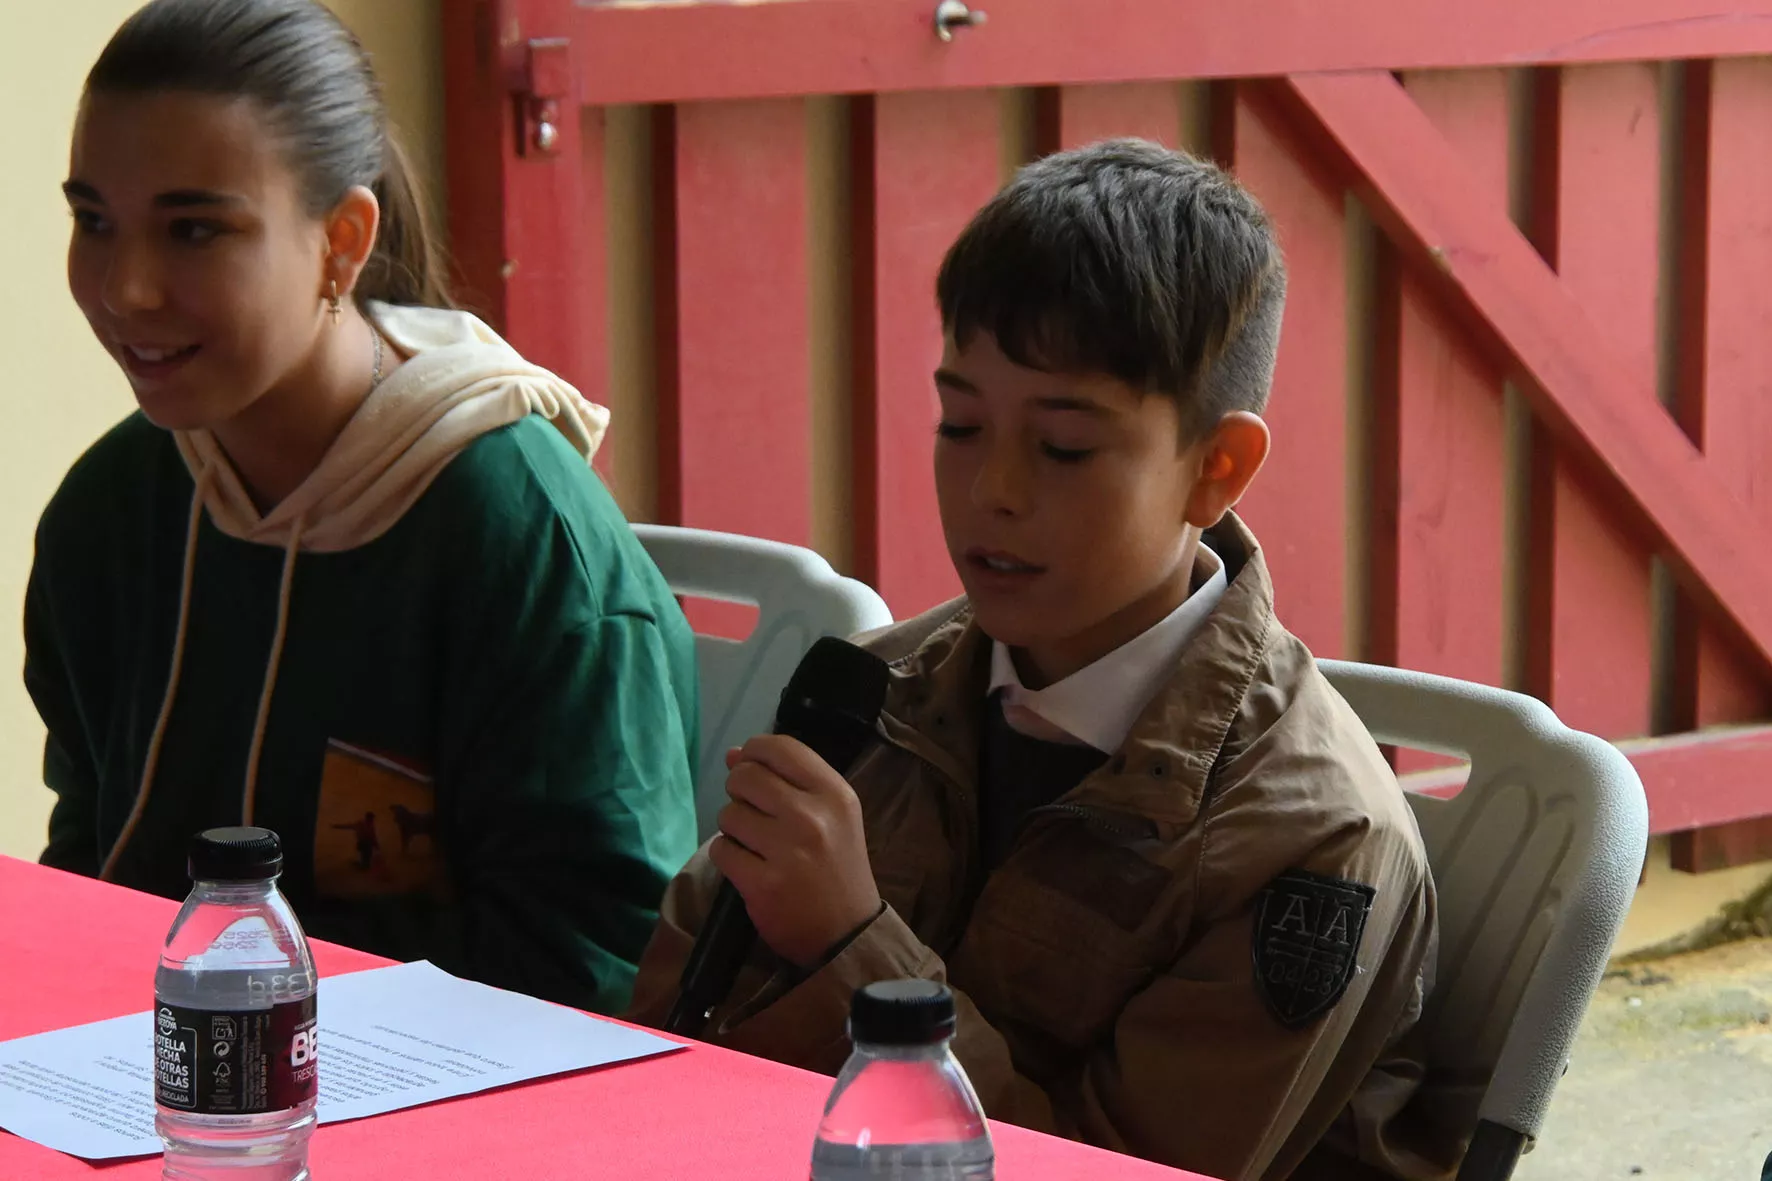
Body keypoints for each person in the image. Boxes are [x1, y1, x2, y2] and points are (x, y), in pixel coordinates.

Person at [630, 140, 1451, 1180]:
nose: (992, 491)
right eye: (960, 423)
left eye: (1063, 447)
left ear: (1216, 467)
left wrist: (849, 945)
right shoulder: (875, 697)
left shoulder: (1312, 837)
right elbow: (657, 1033)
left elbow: (1114, 1171)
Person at [29, 0, 700, 1017]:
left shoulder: (518, 536)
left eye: (195, 229)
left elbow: (592, 961)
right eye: (94, 222)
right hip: (161, 1088)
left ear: (341, 239)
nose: (126, 288)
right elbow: (90, 859)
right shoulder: (111, 510)